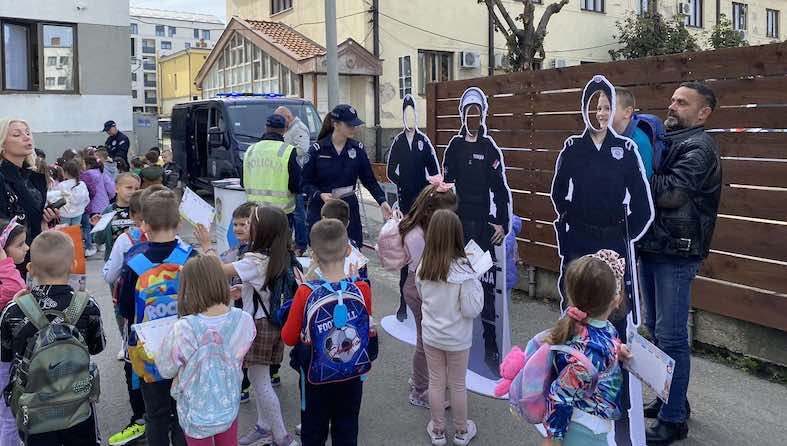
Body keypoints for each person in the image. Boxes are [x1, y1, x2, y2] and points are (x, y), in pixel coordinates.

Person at [636, 82, 721, 446]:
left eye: (682, 103)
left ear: (703, 114)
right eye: (671, 99)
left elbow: (671, 193)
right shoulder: (671, 141)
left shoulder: (699, 148)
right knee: (657, 334)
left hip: (678, 252)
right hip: (656, 247)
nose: (672, 106)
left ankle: (674, 420)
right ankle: (671, 400)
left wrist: (633, 171)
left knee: (672, 337)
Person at [197, 206, 298, 446]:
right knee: (259, 378)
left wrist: (207, 244)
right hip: (272, 324)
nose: (247, 225)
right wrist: (243, 290)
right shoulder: (281, 253)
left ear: (262, 229)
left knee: (260, 382)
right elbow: (267, 287)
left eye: (251, 222)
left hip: (258, 327)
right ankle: (264, 427)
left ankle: (282, 436)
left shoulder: (255, 259)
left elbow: (218, 271)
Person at [0, 231, 105, 446]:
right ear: (73, 265)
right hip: (77, 404)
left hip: (34, 408)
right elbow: (97, 347)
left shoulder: (14, 311)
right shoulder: (87, 305)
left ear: (30, 269)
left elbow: (6, 354)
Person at [281, 218, 374, 446]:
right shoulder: (361, 288)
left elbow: (288, 337)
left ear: (313, 254)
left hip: (315, 379)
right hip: (352, 374)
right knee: (347, 428)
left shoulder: (305, 292)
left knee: (314, 431)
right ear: (349, 250)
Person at [117, 187, 197, 446]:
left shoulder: (134, 260)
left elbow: (126, 308)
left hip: (149, 351)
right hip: (186, 348)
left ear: (145, 224)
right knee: (184, 411)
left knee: (155, 413)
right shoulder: (191, 257)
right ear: (180, 222)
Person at [442, 88, 511, 369]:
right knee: (454, 281)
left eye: (477, 113)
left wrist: (503, 223)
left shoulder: (489, 148)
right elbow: (445, 187)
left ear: (482, 116)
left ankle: (491, 345)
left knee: (484, 282)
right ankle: (453, 340)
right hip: (458, 224)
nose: (473, 117)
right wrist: (443, 220)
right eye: (468, 113)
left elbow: (501, 189)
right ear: (463, 116)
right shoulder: (455, 148)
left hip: (482, 224)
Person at [157, 255, 256, 446]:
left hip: (195, 409)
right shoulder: (244, 320)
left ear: (189, 288)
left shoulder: (183, 328)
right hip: (229, 401)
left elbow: (166, 368)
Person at [542, 251, 632, 446]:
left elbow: (604, 337)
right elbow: (559, 397)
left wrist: (617, 348)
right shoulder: (588, 357)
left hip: (590, 423)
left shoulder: (581, 322)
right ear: (615, 300)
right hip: (583, 430)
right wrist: (553, 440)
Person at [416, 209, 483, 446]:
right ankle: (462, 431)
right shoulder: (465, 271)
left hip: (432, 335)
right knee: (457, 383)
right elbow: (471, 309)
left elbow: (424, 296)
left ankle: (437, 430)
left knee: (436, 381)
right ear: (457, 235)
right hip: (458, 339)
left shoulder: (424, 266)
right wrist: (475, 278)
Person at [397, 182, 458, 408]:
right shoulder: (417, 236)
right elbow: (429, 270)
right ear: (433, 212)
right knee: (426, 343)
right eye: (448, 214)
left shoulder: (422, 230)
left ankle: (420, 379)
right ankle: (420, 390)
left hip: (422, 288)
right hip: (420, 290)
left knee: (426, 341)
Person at [302, 104, 393, 249]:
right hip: (322, 209)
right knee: (322, 253)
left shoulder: (357, 149)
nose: (354, 128)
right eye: (349, 125)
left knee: (353, 252)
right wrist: (319, 194)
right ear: (336, 124)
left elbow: (369, 180)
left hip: (347, 208)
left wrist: (382, 201)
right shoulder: (317, 150)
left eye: (355, 125)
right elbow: (304, 182)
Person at [0, 119, 56, 259]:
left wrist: (45, 219)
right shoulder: (2, 178)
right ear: (2, 143)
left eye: (27, 132)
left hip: (34, 254)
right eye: (16, 135)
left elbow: (32, 217)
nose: (26, 137)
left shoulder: (34, 178)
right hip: (9, 260)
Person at [218, 201, 256, 400]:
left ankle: (244, 385)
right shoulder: (239, 247)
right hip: (241, 299)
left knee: (245, 346)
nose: (238, 228)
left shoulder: (255, 252)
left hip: (253, 305)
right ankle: (245, 383)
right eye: (236, 224)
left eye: (244, 224)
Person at [243, 114, 301, 231]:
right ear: (284, 130)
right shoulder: (288, 150)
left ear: (265, 128)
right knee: (279, 245)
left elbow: (242, 181)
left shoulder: (250, 150)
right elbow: (296, 184)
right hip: (281, 213)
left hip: (255, 211)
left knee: (258, 244)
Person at [0, 218, 28, 445]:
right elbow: (15, 289)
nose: (26, 248)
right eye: (20, 244)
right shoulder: (6, 280)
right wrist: (4, 263)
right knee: (9, 414)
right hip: (3, 360)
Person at [275, 106, 311, 254]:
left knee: (298, 212)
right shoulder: (291, 128)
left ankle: (301, 244)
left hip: (297, 174)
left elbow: (303, 149)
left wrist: (283, 151)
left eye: (282, 121)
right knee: (294, 210)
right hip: (288, 173)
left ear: (288, 117)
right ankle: (296, 242)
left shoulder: (299, 129)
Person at [319, 198, 368, 282]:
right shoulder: (353, 245)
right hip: (353, 292)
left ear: (324, 220)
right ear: (348, 223)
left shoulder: (321, 248)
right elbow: (364, 279)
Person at [611, 87, 654, 179]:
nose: (601, 113)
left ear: (627, 112)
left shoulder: (639, 142)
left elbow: (644, 181)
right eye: (599, 109)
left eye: (608, 108)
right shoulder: (602, 137)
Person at [81, 155, 116, 256]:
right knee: (103, 224)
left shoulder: (86, 175)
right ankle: (102, 244)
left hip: (91, 204)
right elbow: (111, 188)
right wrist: (109, 197)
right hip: (104, 203)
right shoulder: (102, 173)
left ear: (87, 165)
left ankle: (94, 244)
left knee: (92, 225)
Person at [57, 160, 90, 227]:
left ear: (66, 172)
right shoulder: (82, 184)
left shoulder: (61, 185)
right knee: (75, 232)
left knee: (65, 233)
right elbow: (87, 199)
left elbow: (57, 199)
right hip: (78, 213)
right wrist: (81, 207)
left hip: (64, 214)